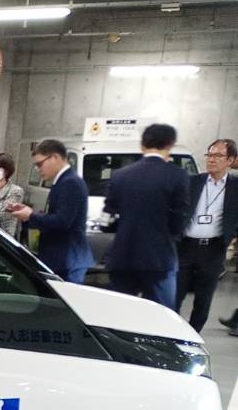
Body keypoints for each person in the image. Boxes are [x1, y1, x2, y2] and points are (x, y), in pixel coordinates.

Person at [102, 123, 192, 310]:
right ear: (170, 144)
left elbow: (106, 219)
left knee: (119, 313)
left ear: (142, 145)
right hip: (159, 259)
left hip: (123, 256)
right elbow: (179, 220)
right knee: (161, 314)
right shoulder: (178, 175)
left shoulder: (120, 175)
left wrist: (123, 226)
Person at [8, 138, 94, 285]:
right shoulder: (64, 180)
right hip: (61, 257)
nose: (38, 169)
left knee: (64, 298)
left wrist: (30, 216)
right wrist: (29, 213)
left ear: (55, 157)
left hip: (67, 260)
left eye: (39, 164)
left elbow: (62, 221)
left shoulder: (70, 182)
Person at [177, 139, 238, 333]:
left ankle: (192, 335)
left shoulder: (235, 187)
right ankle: (170, 335)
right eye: (209, 155)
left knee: (203, 299)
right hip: (185, 247)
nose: (211, 159)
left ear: (230, 160)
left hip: (213, 249)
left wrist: (232, 236)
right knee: (175, 295)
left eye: (218, 156)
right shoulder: (193, 182)